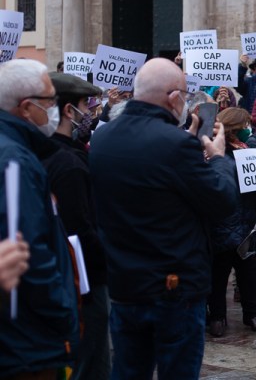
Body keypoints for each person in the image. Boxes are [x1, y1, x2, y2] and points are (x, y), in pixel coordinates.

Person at [90, 58, 239, 380]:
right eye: (185, 95)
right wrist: (218, 158)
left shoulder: (102, 139)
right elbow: (222, 200)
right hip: (174, 286)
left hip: (125, 282)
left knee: (128, 371)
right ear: (174, 98)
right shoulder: (176, 144)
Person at [0, 59, 80, 378]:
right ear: (26, 107)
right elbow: (29, 253)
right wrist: (64, 312)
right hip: (29, 346)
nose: (56, 108)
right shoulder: (15, 161)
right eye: (50, 101)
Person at [43, 72, 110, 380]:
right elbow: (79, 231)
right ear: (69, 110)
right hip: (84, 283)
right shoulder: (68, 163)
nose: (92, 111)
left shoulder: (48, 152)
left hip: (66, 279)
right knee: (89, 360)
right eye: (86, 104)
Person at [207, 107, 256, 337]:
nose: (248, 130)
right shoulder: (214, 153)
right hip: (223, 223)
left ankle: (250, 315)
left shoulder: (250, 152)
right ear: (236, 128)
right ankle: (218, 317)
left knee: (247, 273)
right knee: (219, 275)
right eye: (246, 125)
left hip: (246, 221)